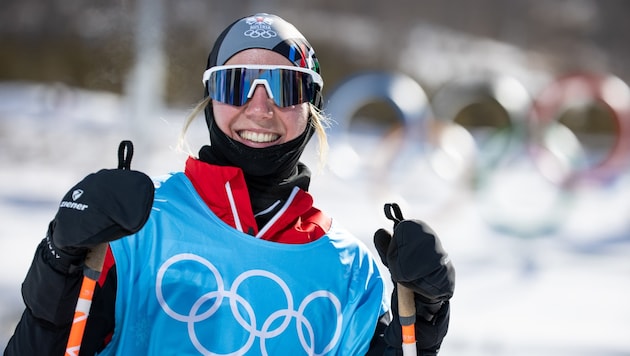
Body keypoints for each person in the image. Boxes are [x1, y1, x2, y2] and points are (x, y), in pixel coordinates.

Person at [4, 13, 454, 355]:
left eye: (284, 87)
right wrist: (59, 260)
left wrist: (422, 320)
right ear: (210, 100)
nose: (260, 108)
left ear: (311, 105)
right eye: (237, 84)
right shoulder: (133, 228)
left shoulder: (351, 270)